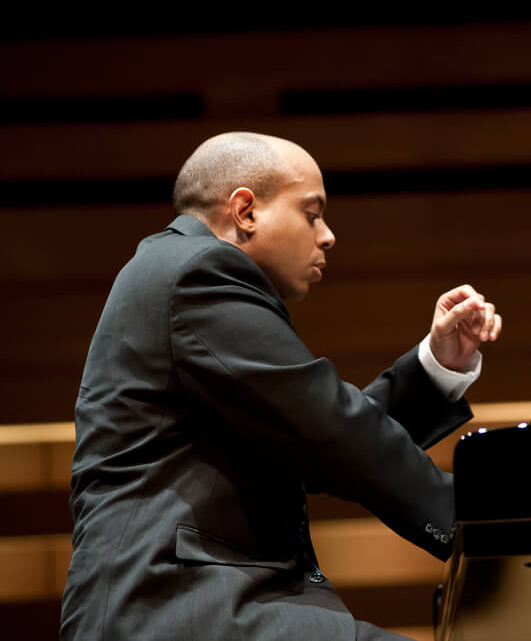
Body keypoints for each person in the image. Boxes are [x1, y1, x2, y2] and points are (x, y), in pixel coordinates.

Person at [60, 132, 501, 640]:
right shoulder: (198, 272)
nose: (328, 235)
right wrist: (493, 523)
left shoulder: (174, 273)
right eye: (312, 214)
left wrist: (435, 368)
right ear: (245, 211)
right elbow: (330, 428)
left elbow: (315, 430)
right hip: (180, 607)